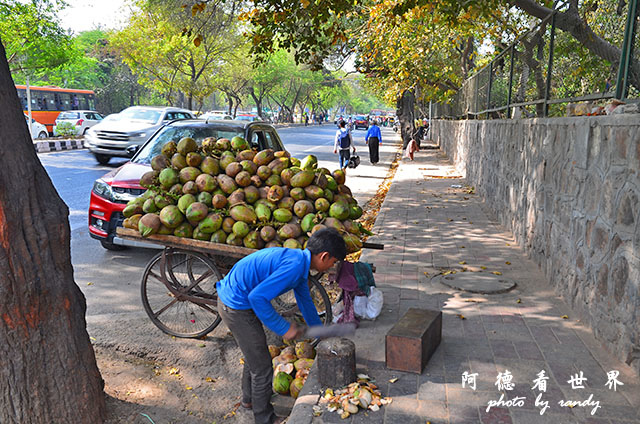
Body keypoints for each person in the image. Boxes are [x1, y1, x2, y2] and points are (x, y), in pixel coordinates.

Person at [216, 228, 347, 424]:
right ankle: (264, 418)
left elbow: (305, 301)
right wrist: (284, 328)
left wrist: (320, 330)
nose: (332, 266)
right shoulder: (294, 267)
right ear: (324, 256)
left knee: (255, 353)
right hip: (234, 305)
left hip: (238, 300)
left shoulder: (300, 263)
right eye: (333, 262)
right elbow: (257, 297)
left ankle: (249, 400)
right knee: (262, 367)